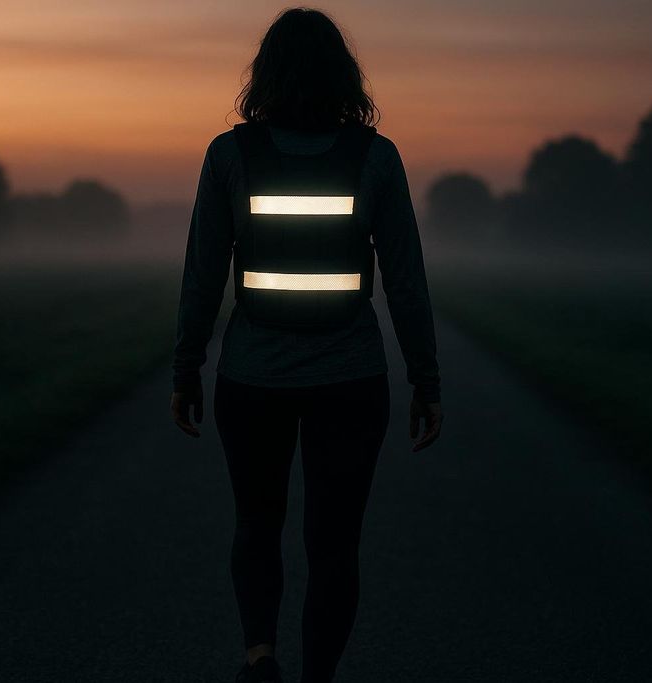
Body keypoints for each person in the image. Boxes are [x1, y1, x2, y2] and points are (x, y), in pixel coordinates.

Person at [170, 7, 443, 682]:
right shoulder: (375, 157)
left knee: (256, 525)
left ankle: (260, 655)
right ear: (344, 77)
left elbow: (203, 274)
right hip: (350, 378)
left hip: (251, 378)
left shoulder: (229, 155)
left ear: (264, 75)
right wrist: (425, 377)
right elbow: (405, 280)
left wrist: (187, 366)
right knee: (334, 545)